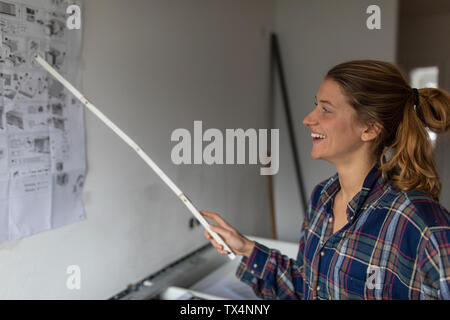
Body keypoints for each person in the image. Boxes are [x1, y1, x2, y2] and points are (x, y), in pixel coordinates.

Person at [200, 60, 450, 300]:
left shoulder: (420, 222)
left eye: (326, 109)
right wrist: (246, 248)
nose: (308, 119)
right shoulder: (322, 198)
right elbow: (307, 287)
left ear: (370, 129)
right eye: (315, 105)